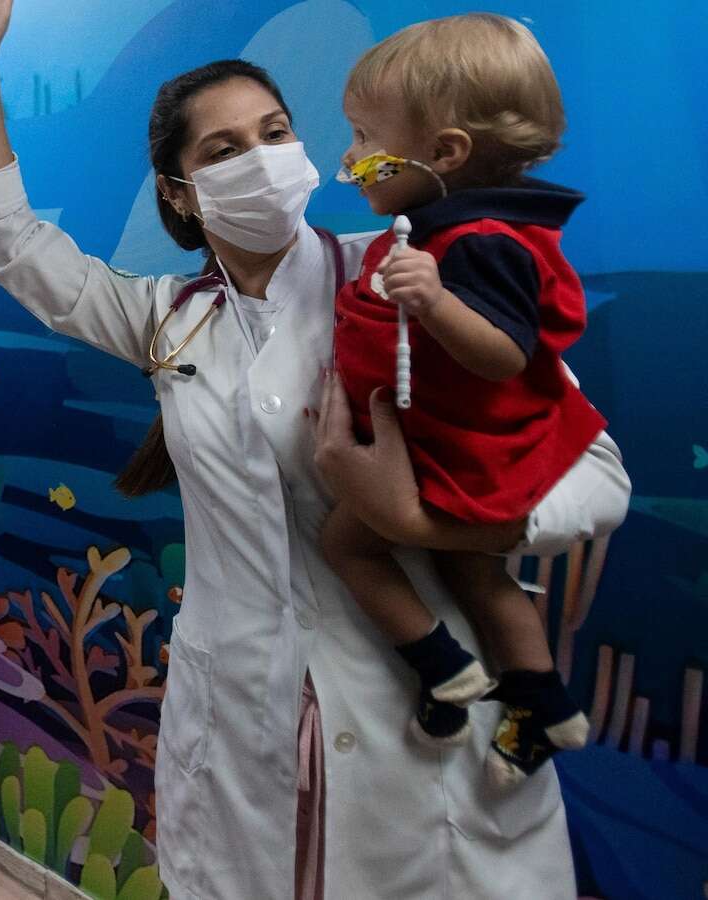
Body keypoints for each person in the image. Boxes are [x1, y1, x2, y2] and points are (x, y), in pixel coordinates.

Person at [0, 1, 630, 897]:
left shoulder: (406, 278)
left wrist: (414, 519)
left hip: (417, 733)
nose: (262, 160)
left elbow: (599, 479)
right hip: (239, 724)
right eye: (224, 151)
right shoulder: (168, 322)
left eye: (276, 133)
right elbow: (10, 244)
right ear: (179, 193)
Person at [321, 13, 601, 789]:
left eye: (361, 136)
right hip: (448, 444)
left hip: (464, 457)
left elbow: (507, 353)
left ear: (443, 154)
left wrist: (438, 304)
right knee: (481, 579)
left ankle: (445, 668)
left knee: (349, 544)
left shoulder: (480, 242)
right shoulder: (447, 230)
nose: (348, 158)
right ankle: (544, 703)